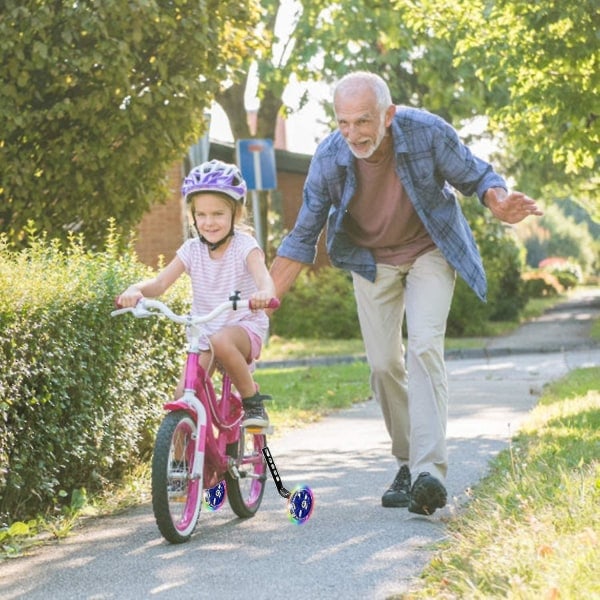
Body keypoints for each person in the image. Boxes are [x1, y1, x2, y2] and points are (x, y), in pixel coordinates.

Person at [270, 71, 543, 515]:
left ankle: (428, 472)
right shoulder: (329, 157)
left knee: (424, 348)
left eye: (363, 121)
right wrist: (265, 304)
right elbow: (304, 235)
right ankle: (406, 460)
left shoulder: (426, 132)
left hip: (429, 249)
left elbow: (477, 176)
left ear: (388, 114)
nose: (353, 134)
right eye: (344, 123)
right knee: (382, 364)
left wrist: (497, 201)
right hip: (370, 259)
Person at [117, 159, 276, 428]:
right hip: (205, 330)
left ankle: (252, 402)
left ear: (236, 214)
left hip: (243, 327)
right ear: (192, 216)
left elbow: (266, 282)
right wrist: (135, 290)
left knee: (222, 340)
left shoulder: (245, 247)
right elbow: (159, 284)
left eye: (217, 214)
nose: (208, 222)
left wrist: (263, 294)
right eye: (201, 215)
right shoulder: (191, 250)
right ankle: (181, 463)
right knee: (184, 396)